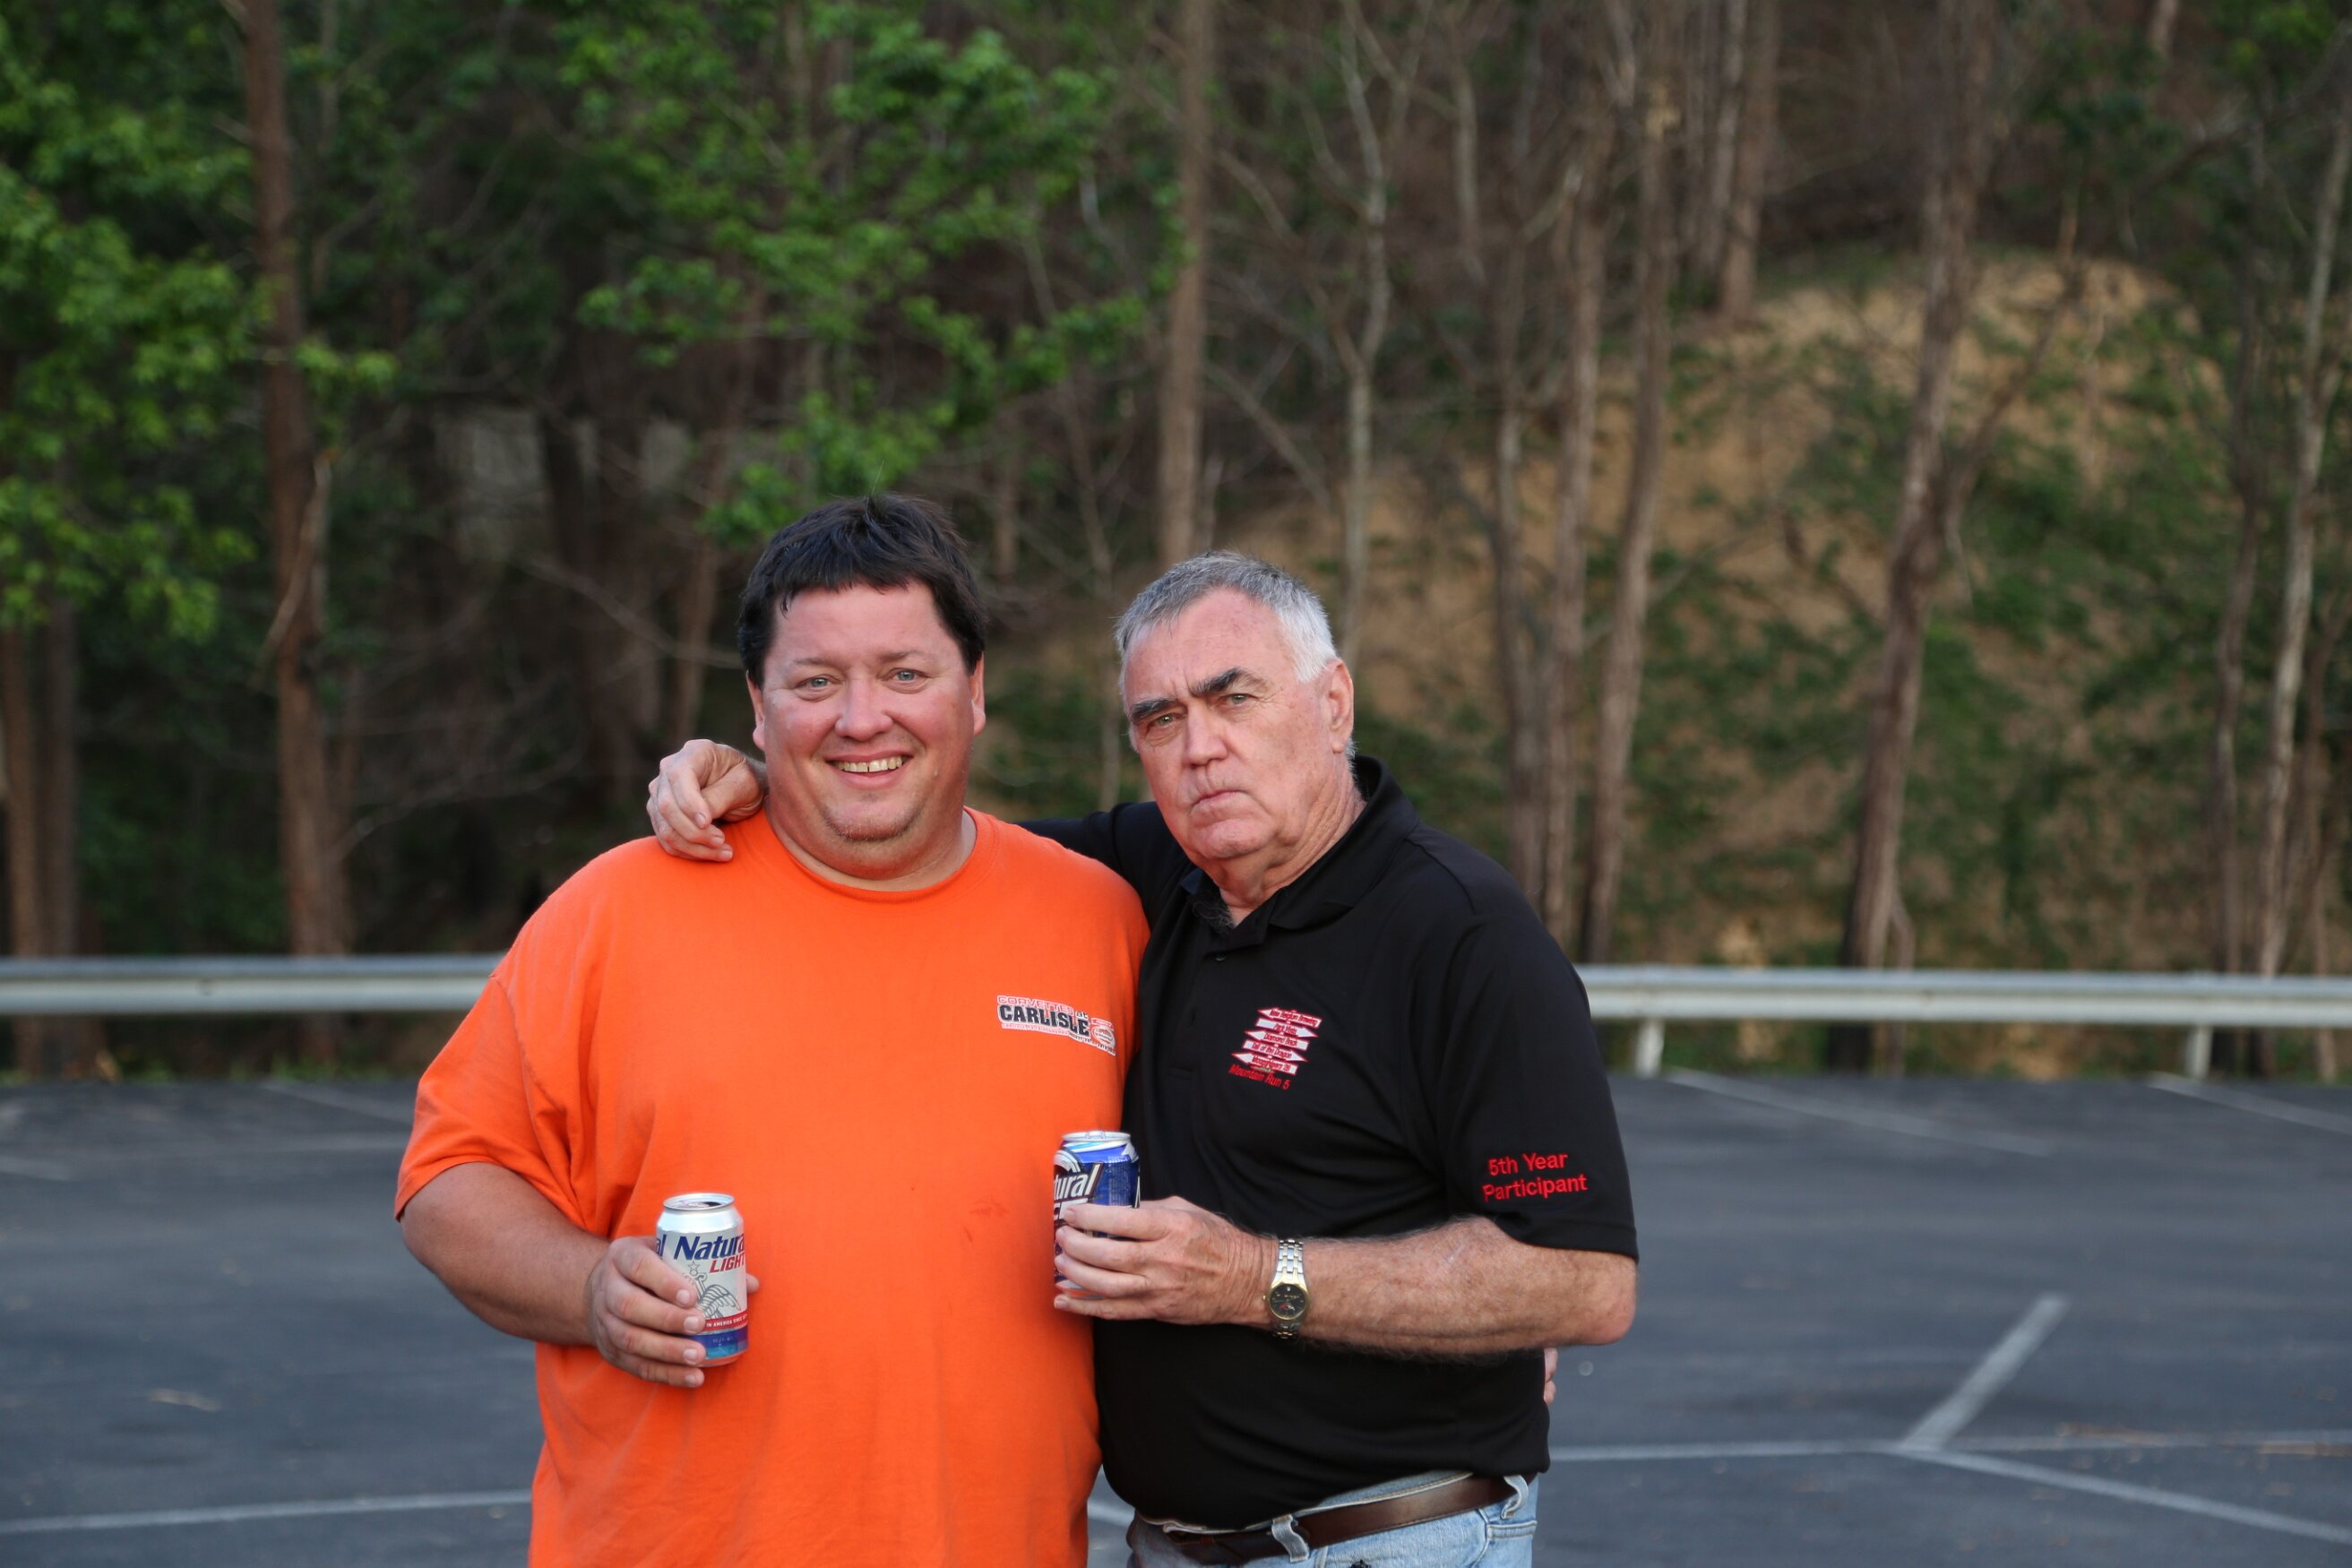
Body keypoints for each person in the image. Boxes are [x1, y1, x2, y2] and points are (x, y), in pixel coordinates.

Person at [651, 551, 1637, 1566]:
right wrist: (771, 777)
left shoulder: (1462, 933)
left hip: (1384, 1538)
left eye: (1234, 698)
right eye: (1161, 719)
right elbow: (921, 837)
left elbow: (1583, 1280)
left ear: (1333, 702)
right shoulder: (1147, 873)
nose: (1201, 748)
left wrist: (1253, 1276)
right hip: (1171, 1545)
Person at [398, 495, 1149, 1567]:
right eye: (815, 682)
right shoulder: (618, 910)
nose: (862, 718)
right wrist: (590, 1289)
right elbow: (449, 1178)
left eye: (905, 672)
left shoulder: (1098, 919)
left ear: (975, 690)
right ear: (757, 706)